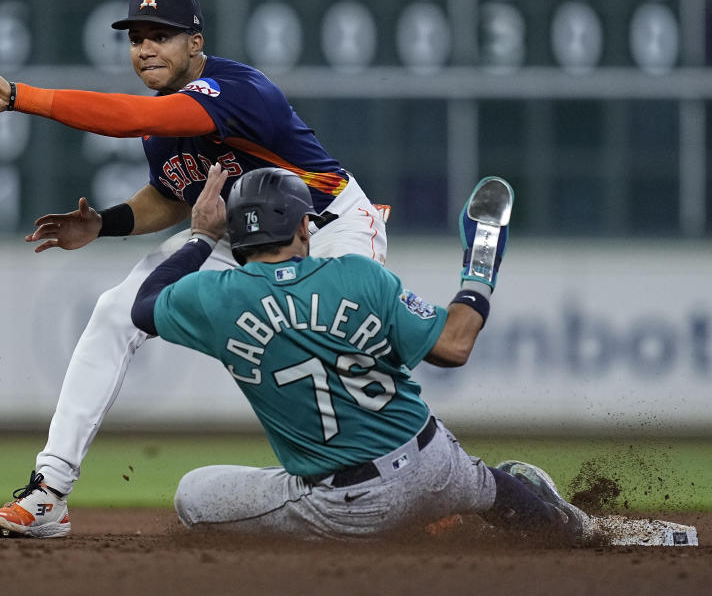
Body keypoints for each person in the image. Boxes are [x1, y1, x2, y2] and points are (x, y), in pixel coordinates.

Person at [0, 0, 389, 539]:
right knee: (114, 312)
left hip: (326, 225)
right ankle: (49, 491)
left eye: (162, 36)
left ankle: (413, 477)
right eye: (137, 38)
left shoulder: (238, 89)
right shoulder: (162, 126)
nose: (146, 48)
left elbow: (120, 118)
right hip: (235, 235)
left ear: (196, 42)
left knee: (353, 345)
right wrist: (106, 222)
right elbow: (173, 197)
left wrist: (20, 96)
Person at [126, 164, 594, 541]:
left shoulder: (215, 296)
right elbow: (455, 344)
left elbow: (143, 307)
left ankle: (416, 521)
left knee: (193, 493)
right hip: (437, 462)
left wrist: (201, 237)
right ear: (304, 228)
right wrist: (480, 270)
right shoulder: (357, 274)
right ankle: (572, 527)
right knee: (482, 485)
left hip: (349, 506)